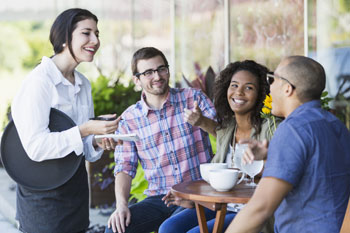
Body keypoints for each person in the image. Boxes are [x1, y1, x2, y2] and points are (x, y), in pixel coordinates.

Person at [11, 8, 119, 233]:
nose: (95, 40)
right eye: (86, 33)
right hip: (43, 195)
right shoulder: (39, 82)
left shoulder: (83, 84)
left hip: (76, 190)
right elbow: (36, 147)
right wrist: (84, 129)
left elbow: (84, 149)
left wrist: (99, 138)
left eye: (97, 34)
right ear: (64, 37)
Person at [226, 56, 350, 233]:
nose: (269, 87)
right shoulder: (337, 126)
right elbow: (319, 170)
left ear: (287, 89)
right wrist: (273, 154)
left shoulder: (292, 130)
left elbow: (260, 208)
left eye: (273, 79)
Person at [104, 47, 217, 233]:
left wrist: (203, 122)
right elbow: (124, 167)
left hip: (198, 194)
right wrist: (121, 205)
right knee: (114, 230)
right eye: (148, 72)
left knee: (170, 229)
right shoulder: (129, 119)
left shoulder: (193, 98)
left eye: (161, 69)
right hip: (159, 198)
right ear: (137, 80)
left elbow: (225, 138)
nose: (157, 76)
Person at [160, 60, 277, 233]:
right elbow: (219, 180)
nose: (239, 92)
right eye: (234, 85)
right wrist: (193, 200)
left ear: (261, 94)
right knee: (169, 228)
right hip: (223, 204)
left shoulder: (272, 128)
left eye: (249, 88)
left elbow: (281, 170)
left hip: (252, 209)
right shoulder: (227, 130)